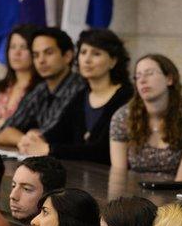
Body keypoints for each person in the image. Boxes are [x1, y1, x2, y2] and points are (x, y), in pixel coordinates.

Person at [18, 29, 134, 165]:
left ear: (113, 61)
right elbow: (59, 132)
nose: (87, 60)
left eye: (96, 54)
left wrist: (50, 149)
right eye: (83, 52)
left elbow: (102, 151)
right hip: (81, 175)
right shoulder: (81, 95)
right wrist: (36, 138)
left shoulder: (126, 96)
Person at [110, 54, 182, 180]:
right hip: (131, 193)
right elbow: (118, 175)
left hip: (173, 194)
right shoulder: (122, 117)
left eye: (149, 73)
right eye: (138, 76)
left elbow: (181, 181)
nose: (142, 80)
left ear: (169, 79)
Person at [0, 27, 86, 147]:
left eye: (48, 53)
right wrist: (24, 139)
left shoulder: (79, 87)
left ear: (67, 56)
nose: (41, 60)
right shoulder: (41, 89)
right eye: (36, 55)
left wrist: (32, 139)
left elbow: (50, 136)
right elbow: (4, 132)